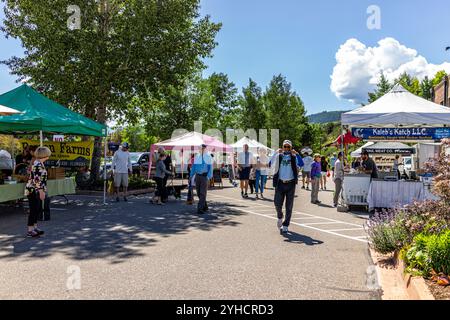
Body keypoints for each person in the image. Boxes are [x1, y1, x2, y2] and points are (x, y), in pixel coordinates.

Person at [271, 140, 298, 234]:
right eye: (285, 146)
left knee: (289, 206)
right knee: (277, 203)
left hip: (290, 183)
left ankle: (286, 224)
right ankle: (279, 216)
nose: (286, 148)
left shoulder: (294, 157)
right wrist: (275, 153)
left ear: (291, 148)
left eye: (288, 147)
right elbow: (270, 164)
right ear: (282, 147)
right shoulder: (279, 156)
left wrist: (297, 154)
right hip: (280, 183)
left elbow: (301, 164)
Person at [24, 146, 51, 238]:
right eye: (48, 154)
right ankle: (30, 230)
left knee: (37, 209)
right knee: (33, 210)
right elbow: (36, 180)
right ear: (45, 155)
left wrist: (41, 190)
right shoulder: (37, 165)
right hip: (33, 190)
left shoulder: (39, 163)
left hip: (35, 190)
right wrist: (41, 191)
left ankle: (35, 228)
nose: (49, 156)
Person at [190, 144, 213, 214]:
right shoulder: (197, 156)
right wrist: (191, 176)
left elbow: (210, 168)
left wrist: (209, 177)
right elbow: (194, 167)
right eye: (200, 148)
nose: (201, 149)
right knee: (198, 192)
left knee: (202, 193)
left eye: (203, 148)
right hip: (197, 176)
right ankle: (205, 205)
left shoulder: (208, 157)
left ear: (205, 149)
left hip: (204, 176)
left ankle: (200, 208)